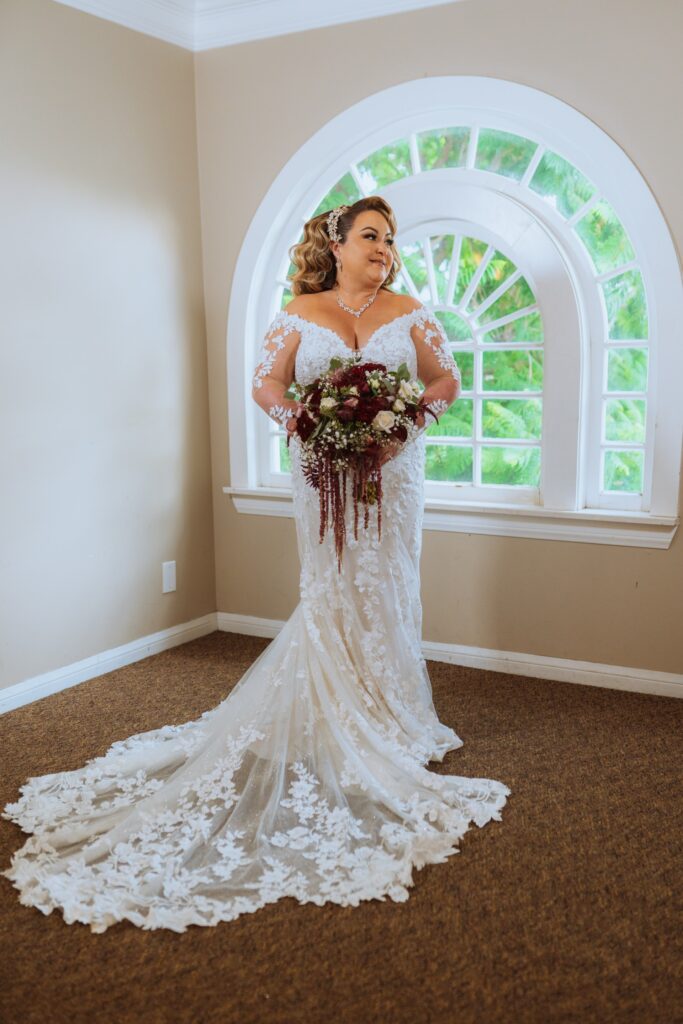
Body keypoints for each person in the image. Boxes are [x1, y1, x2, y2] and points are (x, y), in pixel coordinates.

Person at [1, 196, 510, 933]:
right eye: (371, 236)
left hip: (393, 475)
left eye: (391, 239)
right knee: (332, 582)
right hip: (321, 472)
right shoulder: (298, 312)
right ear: (336, 244)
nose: (385, 247)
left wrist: (404, 424)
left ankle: (393, 715)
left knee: (388, 581)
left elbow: (444, 382)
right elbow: (266, 385)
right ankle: (336, 713)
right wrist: (302, 419)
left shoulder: (409, 309)